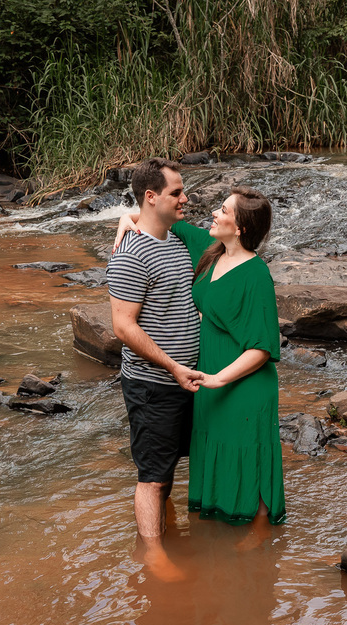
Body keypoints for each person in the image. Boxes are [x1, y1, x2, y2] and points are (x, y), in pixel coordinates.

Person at [116, 187, 285, 526]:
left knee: (247, 455)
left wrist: (219, 378)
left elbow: (263, 347)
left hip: (242, 384)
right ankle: (217, 543)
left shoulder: (256, 276)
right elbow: (157, 219)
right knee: (216, 450)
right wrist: (126, 217)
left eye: (223, 211)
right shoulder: (209, 250)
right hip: (208, 379)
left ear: (240, 228)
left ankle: (259, 542)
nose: (214, 214)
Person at [107, 158, 203, 545]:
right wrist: (173, 367)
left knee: (167, 468)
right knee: (152, 476)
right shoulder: (131, 255)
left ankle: (166, 530)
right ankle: (153, 557)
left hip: (184, 379)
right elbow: (122, 326)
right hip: (153, 384)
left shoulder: (176, 237)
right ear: (151, 196)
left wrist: (128, 216)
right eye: (177, 193)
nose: (185, 199)